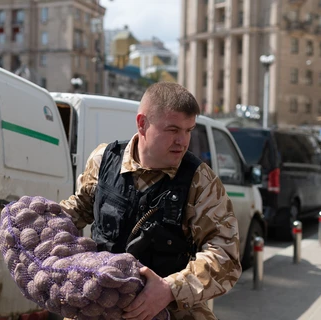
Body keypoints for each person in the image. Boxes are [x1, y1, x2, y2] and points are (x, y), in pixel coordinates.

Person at [59, 82, 241, 320]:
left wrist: (170, 289)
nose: (183, 141)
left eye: (188, 130)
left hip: (169, 311)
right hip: (100, 304)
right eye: (173, 129)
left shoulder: (201, 181)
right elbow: (79, 208)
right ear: (142, 123)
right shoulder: (104, 160)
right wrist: (42, 222)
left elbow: (225, 257)